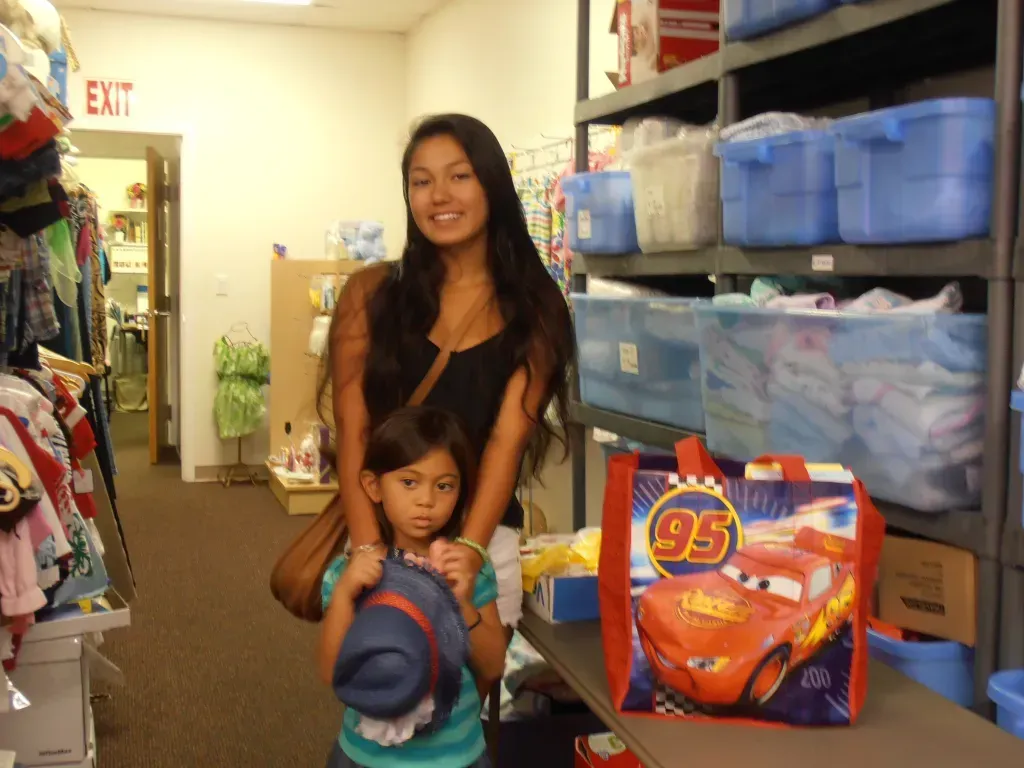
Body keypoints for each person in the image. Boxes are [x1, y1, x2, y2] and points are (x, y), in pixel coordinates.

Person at [324, 113, 576, 635]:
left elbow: (507, 444)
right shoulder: (368, 296)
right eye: (422, 181)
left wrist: (468, 551)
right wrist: (371, 547)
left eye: (459, 176)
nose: (439, 195)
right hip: (381, 536)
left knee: (465, 703)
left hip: (481, 541)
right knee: (381, 691)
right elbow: (354, 430)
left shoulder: (535, 310)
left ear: (491, 185)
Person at [318, 407, 506, 768]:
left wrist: (462, 603)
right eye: (409, 482)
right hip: (366, 758)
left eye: (444, 486)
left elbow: (493, 665)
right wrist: (344, 595)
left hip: (456, 757)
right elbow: (330, 672)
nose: (426, 501)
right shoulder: (352, 573)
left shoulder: (466, 573)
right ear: (374, 486)